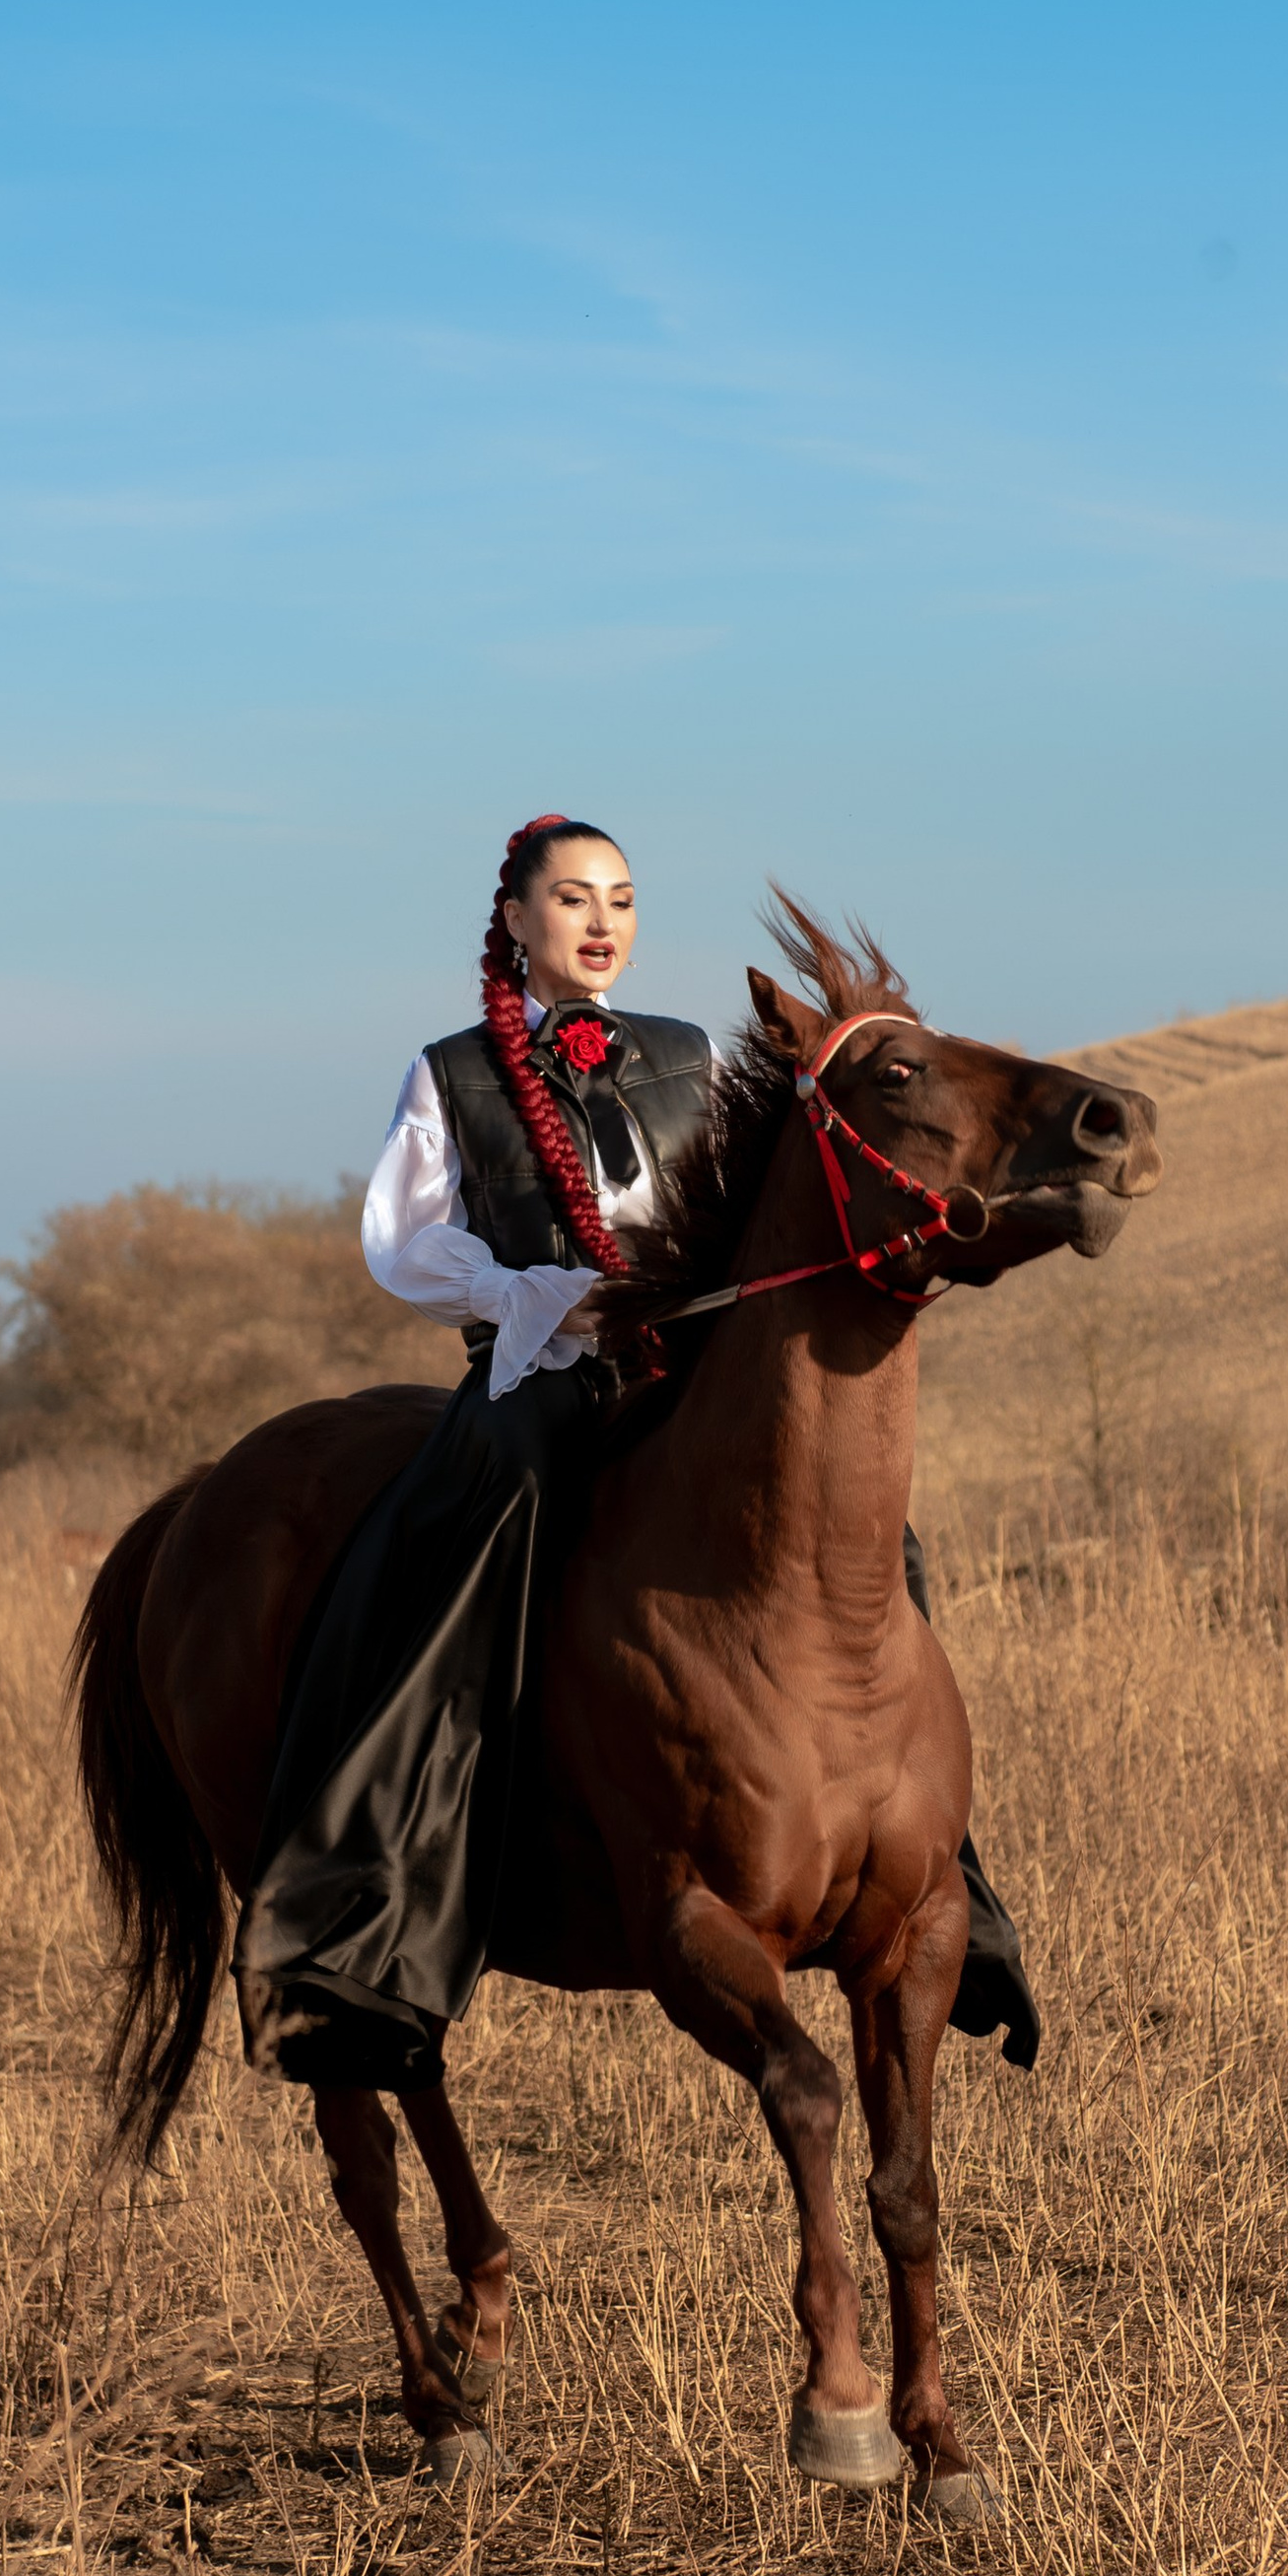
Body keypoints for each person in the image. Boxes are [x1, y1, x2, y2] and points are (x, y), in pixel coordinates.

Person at [232, 811, 1039, 2091]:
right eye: (572, 898)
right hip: (537, 1370)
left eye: (619, 897)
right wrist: (524, 1291)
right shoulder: (452, 1073)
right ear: (516, 921)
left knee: (878, 1545)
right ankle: (383, 1876)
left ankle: (950, 1878)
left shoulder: (691, 1058)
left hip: (681, 1368)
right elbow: (404, 1240)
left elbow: (743, 1207)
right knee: (482, 1507)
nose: (600, 920)